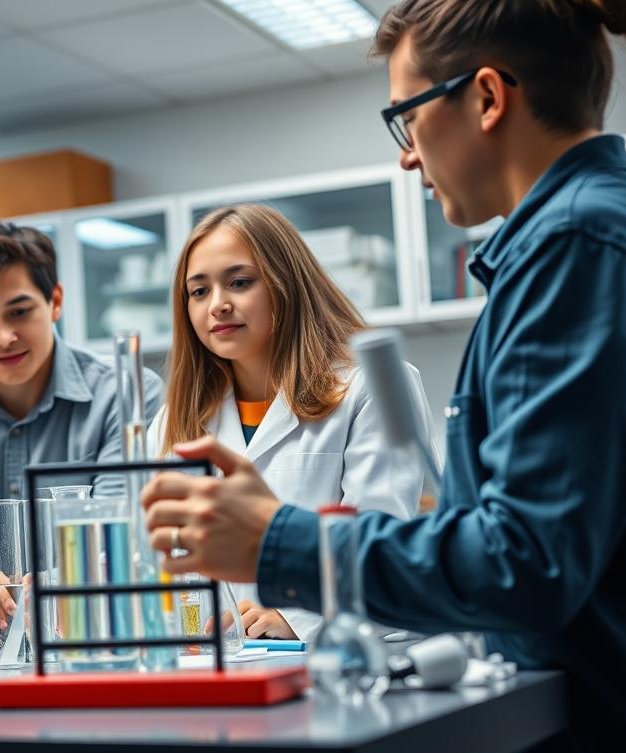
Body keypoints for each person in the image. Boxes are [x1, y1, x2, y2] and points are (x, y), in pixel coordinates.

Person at [141, 1, 626, 753]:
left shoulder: (583, 246)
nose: (407, 156)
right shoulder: (574, 240)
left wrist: (281, 542)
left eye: (407, 116)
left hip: (612, 735)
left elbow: (524, 561)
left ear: (487, 98)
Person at [147, 204, 431, 641]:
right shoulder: (174, 421)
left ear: (286, 284)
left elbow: (385, 558)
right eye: (198, 292)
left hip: (336, 664)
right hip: (211, 665)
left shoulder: (366, 389)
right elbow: (146, 565)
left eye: (239, 283)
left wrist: (299, 621)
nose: (218, 304)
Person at [0, 218, 162, 637]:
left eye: (19, 312)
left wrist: (60, 582)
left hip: (87, 638)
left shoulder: (124, 391)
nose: (3, 337)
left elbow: (120, 521)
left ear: (55, 302)